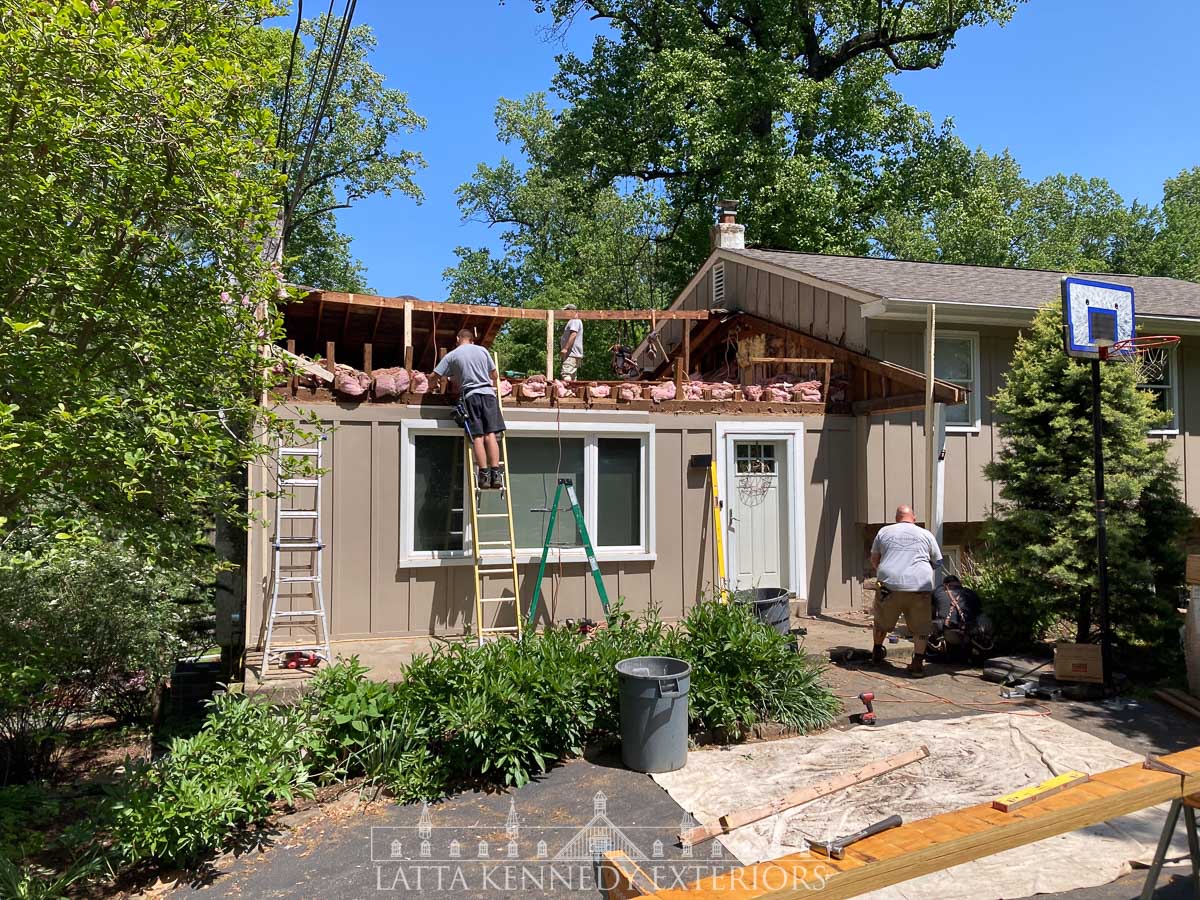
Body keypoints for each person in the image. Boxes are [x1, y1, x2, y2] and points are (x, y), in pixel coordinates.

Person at [869, 504, 942, 676]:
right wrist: (922, 569)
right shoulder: (926, 534)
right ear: (914, 518)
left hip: (889, 587)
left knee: (881, 622)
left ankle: (877, 652)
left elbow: (874, 558)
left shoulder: (884, 532)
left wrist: (885, 571)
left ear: (897, 518)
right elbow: (938, 561)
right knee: (921, 627)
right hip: (919, 588)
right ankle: (917, 662)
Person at [434, 329, 506, 490]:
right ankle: (496, 475)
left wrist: (430, 386)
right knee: (491, 435)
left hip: (471, 396)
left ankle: (484, 476)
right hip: (488, 395)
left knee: (478, 437)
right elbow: (494, 375)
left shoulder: (452, 355)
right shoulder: (482, 351)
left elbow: (436, 375)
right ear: (472, 340)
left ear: (458, 338)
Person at [559, 304, 583, 381]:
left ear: (571, 311)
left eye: (566, 311)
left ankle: (567, 392)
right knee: (572, 377)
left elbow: (573, 334)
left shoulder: (574, 320)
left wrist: (565, 348)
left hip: (571, 354)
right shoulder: (575, 320)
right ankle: (572, 392)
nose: (564, 314)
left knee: (566, 374)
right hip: (573, 354)